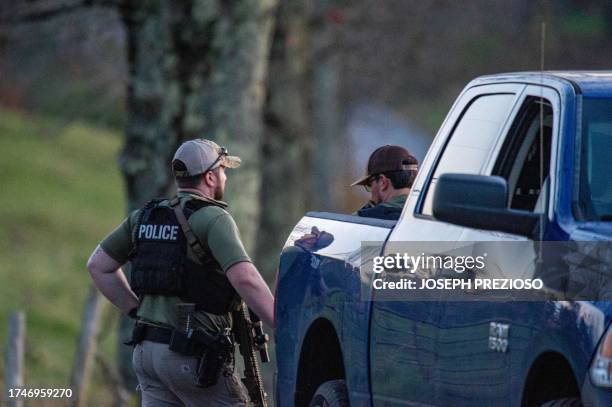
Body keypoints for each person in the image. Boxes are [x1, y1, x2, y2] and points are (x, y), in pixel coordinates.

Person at [86, 139, 274, 406]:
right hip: (190, 356)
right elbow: (245, 278)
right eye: (223, 170)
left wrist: (136, 311)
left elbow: (98, 266)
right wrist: (281, 322)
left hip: (147, 354)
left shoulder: (144, 217)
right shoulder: (214, 218)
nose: (225, 177)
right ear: (210, 177)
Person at [351, 145, 418, 220]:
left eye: (370, 184)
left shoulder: (362, 219)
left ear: (383, 182)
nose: (371, 195)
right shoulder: (429, 214)